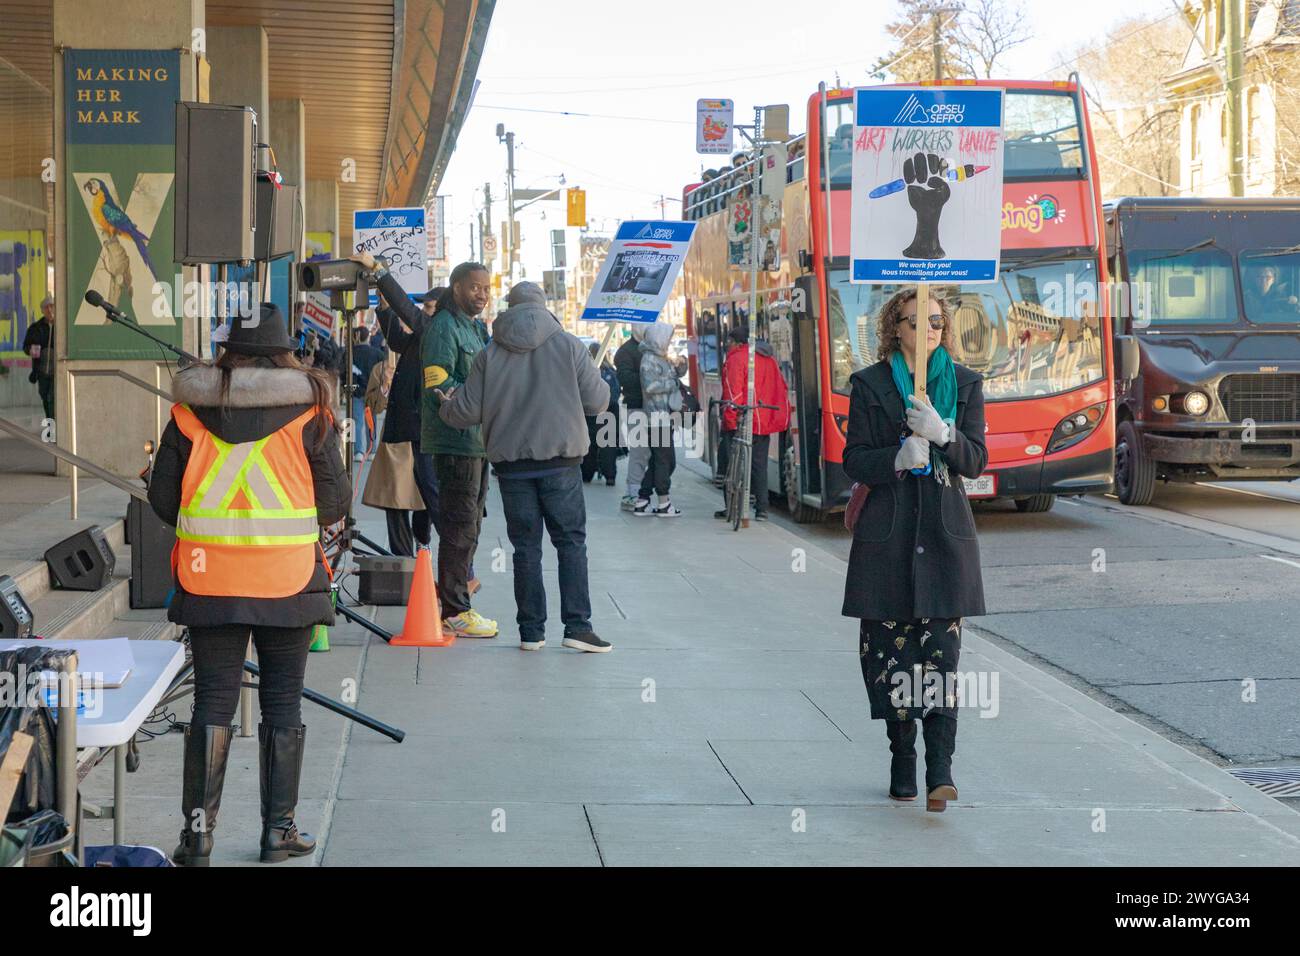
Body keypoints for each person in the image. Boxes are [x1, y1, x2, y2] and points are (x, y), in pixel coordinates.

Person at [147, 302, 350, 865]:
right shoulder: (310, 413)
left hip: (211, 582)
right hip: (287, 582)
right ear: (286, 354)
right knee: (282, 702)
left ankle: (196, 838)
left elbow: (163, 501)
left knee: (212, 703)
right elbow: (334, 503)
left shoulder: (187, 415)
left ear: (225, 352)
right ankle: (277, 832)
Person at [840, 289, 986, 814]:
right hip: (888, 540)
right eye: (914, 321)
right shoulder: (870, 385)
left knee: (941, 662)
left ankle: (940, 773)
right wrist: (897, 457)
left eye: (935, 321)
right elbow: (854, 460)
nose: (927, 329)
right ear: (894, 329)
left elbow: (975, 459)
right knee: (891, 659)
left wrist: (944, 433)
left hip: (946, 541)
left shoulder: (966, 384)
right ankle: (903, 764)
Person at [439, 282, 612, 652]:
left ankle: (531, 632)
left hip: (513, 467)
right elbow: (597, 402)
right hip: (561, 464)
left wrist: (445, 403)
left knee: (525, 549)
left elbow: (465, 412)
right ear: (544, 307)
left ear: (509, 309)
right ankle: (578, 628)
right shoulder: (568, 345)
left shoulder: (489, 353)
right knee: (570, 544)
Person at [353, 254, 496, 637]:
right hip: (448, 439)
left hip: (477, 443)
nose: (482, 294)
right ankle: (454, 606)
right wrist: (381, 275)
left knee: (468, 523)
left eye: (486, 287)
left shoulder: (476, 329)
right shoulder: (441, 328)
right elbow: (441, 385)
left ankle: (460, 590)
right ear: (457, 289)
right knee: (453, 520)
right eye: (474, 287)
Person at [367, 289, 445, 557]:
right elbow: (398, 340)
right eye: (424, 308)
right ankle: (403, 556)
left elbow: (409, 320)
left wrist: (386, 285)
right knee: (396, 498)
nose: (424, 312)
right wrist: (385, 307)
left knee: (426, 497)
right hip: (401, 432)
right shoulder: (417, 339)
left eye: (430, 308)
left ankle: (424, 545)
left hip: (424, 433)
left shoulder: (438, 336)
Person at [715, 326, 791, 522]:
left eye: (729, 342)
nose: (727, 345)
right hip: (763, 419)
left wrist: (730, 420)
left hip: (742, 419)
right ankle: (762, 509)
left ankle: (732, 506)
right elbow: (780, 386)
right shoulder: (768, 359)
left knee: (729, 461)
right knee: (759, 465)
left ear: (737, 343)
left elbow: (734, 393)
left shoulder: (736, 359)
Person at [633, 321, 682, 517]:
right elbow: (650, 386)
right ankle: (663, 501)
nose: (669, 342)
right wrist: (672, 382)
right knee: (665, 460)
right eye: (667, 339)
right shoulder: (649, 360)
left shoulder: (659, 358)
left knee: (660, 460)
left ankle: (643, 499)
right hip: (656, 417)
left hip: (663, 416)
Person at [615, 325, 650, 510]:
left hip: (652, 409)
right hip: (636, 408)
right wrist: (649, 376)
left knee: (656, 454)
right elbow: (625, 379)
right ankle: (634, 492)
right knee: (639, 452)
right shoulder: (625, 352)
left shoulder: (650, 349)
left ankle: (644, 491)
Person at [583, 341, 621, 485]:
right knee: (608, 444)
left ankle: (587, 474)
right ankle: (610, 476)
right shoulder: (611, 371)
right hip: (609, 412)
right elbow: (616, 394)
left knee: (590, 444)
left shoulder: (586, 372)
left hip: (591, 413)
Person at [350, 326, 384, 460]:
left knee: (357, 422)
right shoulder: (376, 353)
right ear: (368, 337)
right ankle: (372, 449)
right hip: (372, 392)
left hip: (356, 391)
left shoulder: (351, 352)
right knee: (371, 421)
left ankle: (358, 451)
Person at [21, 295, 56, 420]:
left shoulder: (62, 327)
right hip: (41, 371)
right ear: (42, 310)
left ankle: (54, 428)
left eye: (52, 306)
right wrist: (30, 350)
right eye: (46, 307)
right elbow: (25, 346)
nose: (50, 310)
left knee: (52, 398)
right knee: (45, 397)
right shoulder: (36, 328)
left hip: (57, 372)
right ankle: (51, 424)